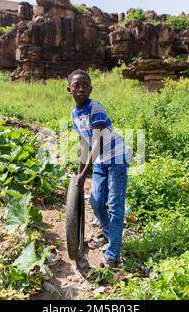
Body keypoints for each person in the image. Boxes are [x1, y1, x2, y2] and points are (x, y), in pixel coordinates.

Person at [68, 69, 129, 268]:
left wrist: (85, 173)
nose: (81, 89)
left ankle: (113, 256)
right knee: (95, 202)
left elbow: (96, 142)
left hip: (116, 158)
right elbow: (84, 144)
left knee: (115, 206)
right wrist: (79, 172)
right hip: (102, 160)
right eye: (77, 85)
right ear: (69, 89)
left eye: (85, 85)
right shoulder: (75, 114)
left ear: (91, 88)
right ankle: (108, 232)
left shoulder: (96, 109)